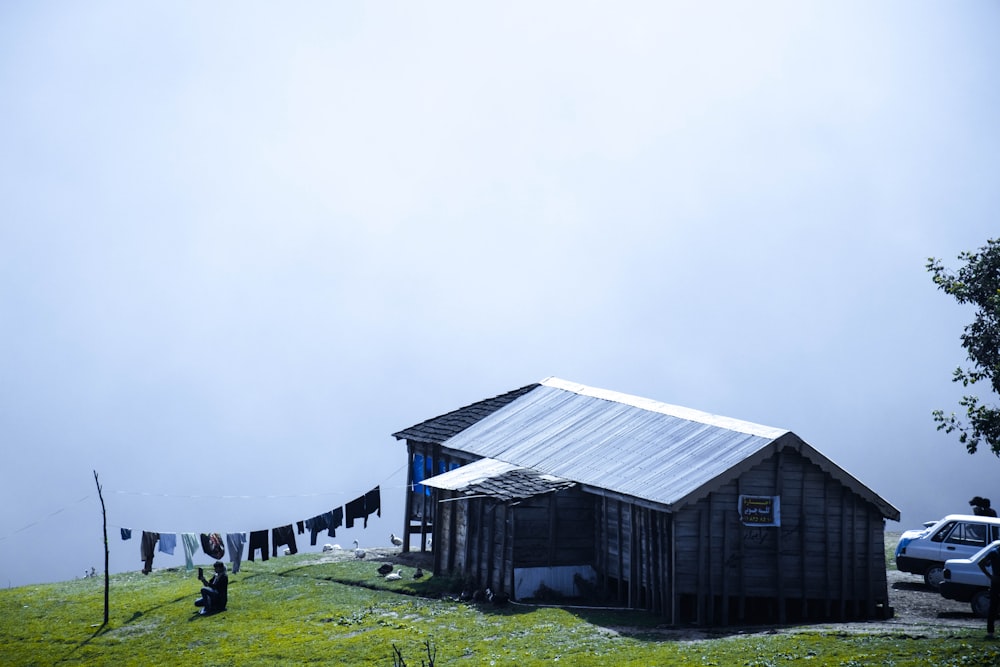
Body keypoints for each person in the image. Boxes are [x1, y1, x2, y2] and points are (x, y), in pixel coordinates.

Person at [977, 544, 1000, 636]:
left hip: (996, 581)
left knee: (993, 607)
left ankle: (990, 631)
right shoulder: (994, 552)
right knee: (993, 607)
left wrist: (990, 577)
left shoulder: (994, 552)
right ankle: (990, 631)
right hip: (997, 582)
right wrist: (990, 576)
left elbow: (982, 563)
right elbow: (981, 563)